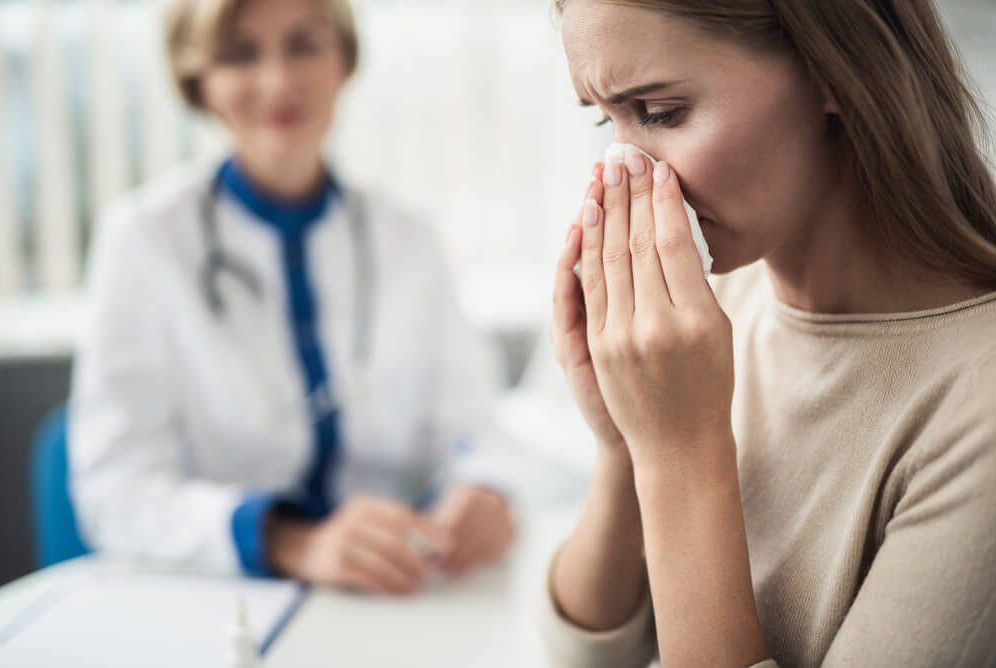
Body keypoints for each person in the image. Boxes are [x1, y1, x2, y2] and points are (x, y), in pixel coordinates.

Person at [542, 1, 996, 666]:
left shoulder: (977, 407)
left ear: (836, 73)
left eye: (663, 113)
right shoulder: (717, 302)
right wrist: (626, 446)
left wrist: (679, 451)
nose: (624, 175)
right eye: (604, 120)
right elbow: (588, 654)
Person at [69, 0, 514, 595]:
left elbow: (474, 426)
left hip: (398, 589)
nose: (279, 80)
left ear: (343, 60)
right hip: (226, 602)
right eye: (239, 54)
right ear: (198, 79)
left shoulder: (410, 239)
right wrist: (290, 541)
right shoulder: (143, 242)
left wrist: (484, 487)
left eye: (304, 44)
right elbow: (114, 489)